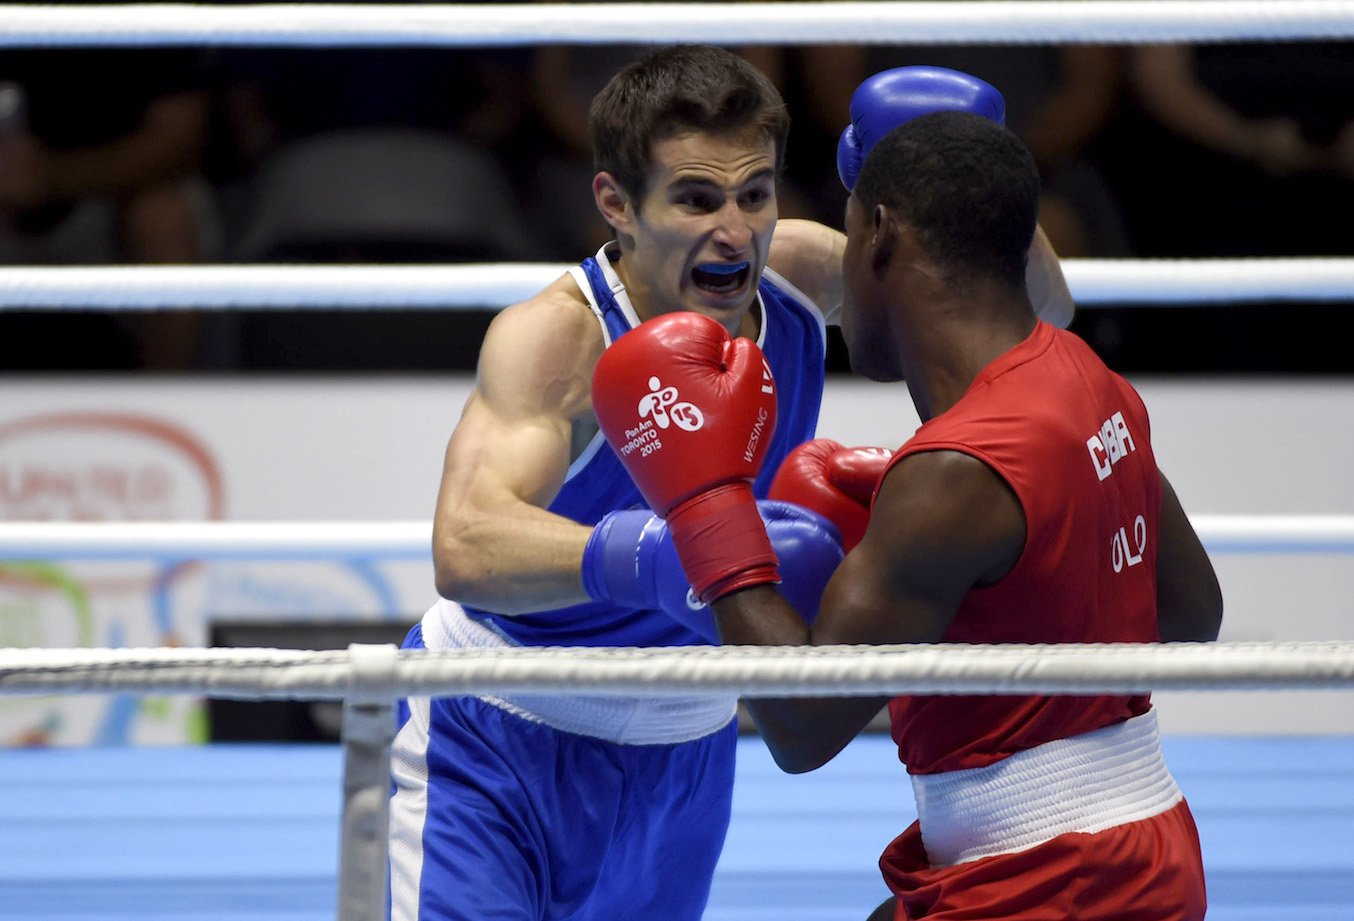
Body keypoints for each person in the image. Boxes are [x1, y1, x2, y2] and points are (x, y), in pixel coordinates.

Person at [388, 46, 1076, 921]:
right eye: (696, 199)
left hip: (688, 745)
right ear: (616, 204)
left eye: (754, 194)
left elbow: (1037, 311)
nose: (735, 230)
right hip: (496, 732)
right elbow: (466, 542)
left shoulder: (801, 275)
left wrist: (970, 181)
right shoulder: (560, 339)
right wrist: (651, 556)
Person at [591, 111, 1223, 920]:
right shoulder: (1087, 378)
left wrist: (705, 504)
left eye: (849, 234)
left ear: (880, 235)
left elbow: (801, 726)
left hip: (1045, 882)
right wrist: (995, 580)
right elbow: (1193, 612)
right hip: (1141, 847)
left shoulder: (954, 476)